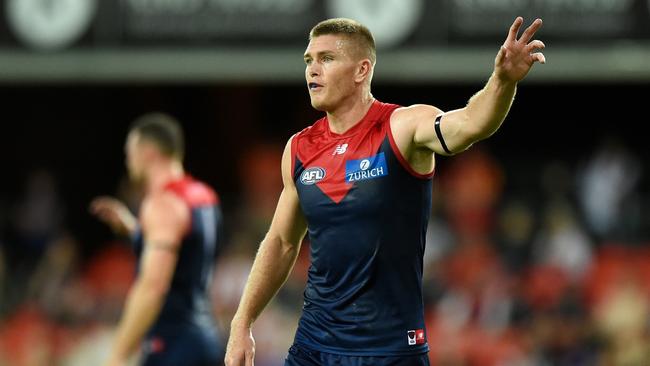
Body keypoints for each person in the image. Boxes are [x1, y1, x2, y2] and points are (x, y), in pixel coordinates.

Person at [225, 16, 546, 366]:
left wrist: (503, 80)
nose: (312, 70)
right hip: (314, 347)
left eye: (326, 59)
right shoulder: (299, 148)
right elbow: (282, 243)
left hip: (389, 350)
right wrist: (242, 322)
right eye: (309, 60)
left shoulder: (402, 127)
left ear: (362, 70)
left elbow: (470, 124)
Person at [90, 113, 225, 366]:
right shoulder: (204, 197)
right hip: (205, 337)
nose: (128, 160)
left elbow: (153, 286)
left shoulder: (162, 205)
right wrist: (134, 229)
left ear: (148, 152)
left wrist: (118, 355)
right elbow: (185, 253)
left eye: (130, 151)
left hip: (172, 342)